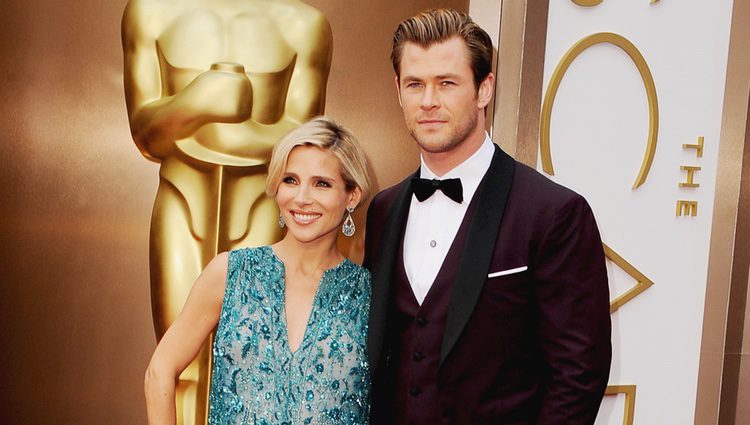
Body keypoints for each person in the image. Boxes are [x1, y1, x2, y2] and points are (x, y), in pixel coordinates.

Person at [364, 9, 612, 424]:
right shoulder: (384, 209)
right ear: (398, 90)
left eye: (447, 83)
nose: (428, 101)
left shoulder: (554, 214)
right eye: (415, 84)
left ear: (484, 89)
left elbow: (578, 375)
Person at [121, 0, 333, 421]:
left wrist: (195, 125)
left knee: (256, 364)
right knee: (178, 361)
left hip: (260, 207)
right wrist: (197, 102)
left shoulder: (305, 27)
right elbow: (145, 132)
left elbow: (301, 147)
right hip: (182, 199)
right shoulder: (149, 12)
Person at [144, 117, 372, 425]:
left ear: (352, 196)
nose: (302, 198)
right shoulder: (231, 273)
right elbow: (160, 369)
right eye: (290, 180)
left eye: (322, 183)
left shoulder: (368, 293)